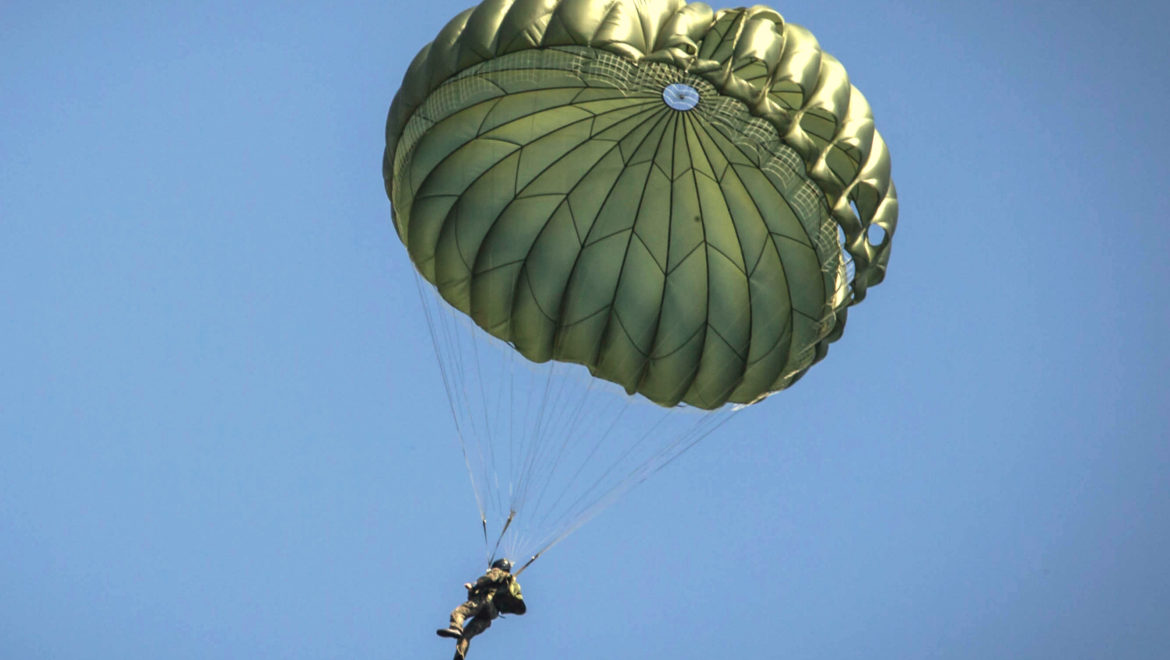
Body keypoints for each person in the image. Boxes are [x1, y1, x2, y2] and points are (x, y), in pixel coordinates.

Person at [436, 558, 526, 659]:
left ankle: (455, 628)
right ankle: (459, 656)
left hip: (485, 602)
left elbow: (490, 578)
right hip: (491, 614)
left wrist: (474, 585)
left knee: (459, 612)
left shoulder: (498, 572)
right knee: (466, 635)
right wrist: (472, 591)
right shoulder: (510, 584)